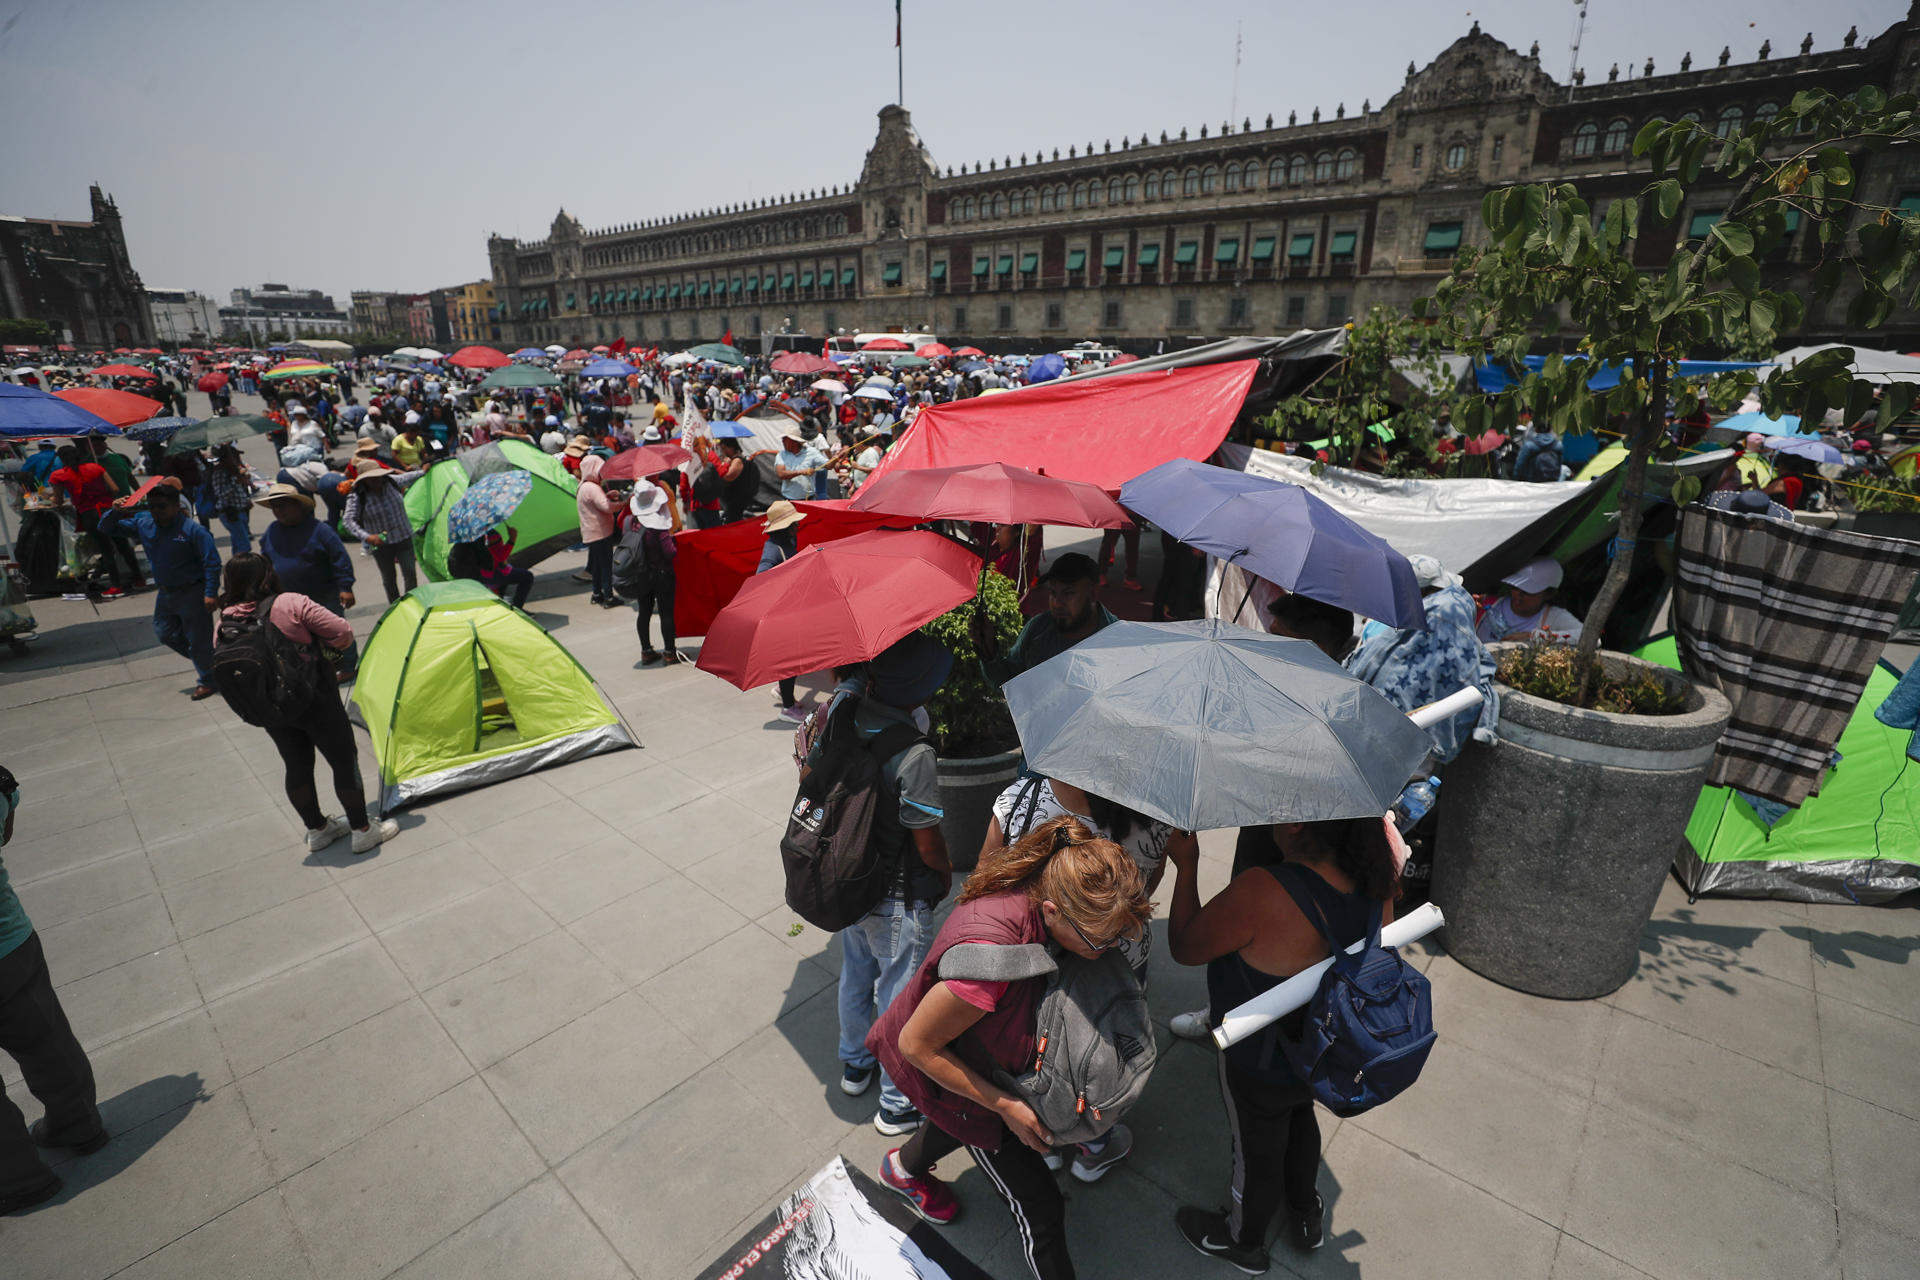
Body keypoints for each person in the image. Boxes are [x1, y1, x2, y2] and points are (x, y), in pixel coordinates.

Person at [868, 815, 1151, 1280]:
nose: (1107, 949)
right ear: (1053, 912)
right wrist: (1005, 1107)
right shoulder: (989, 962)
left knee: (953, 1124)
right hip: (964, 1076)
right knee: (1041, 1209)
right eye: (1099, 940)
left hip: (981, 1056)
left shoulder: (1046, 886)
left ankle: (901, 1170)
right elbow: (917, 1045)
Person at [1164, 816, 1406, 1271]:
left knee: (1255, 1149)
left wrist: (1188, 865)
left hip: (1258, 1057)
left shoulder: (1263, 890)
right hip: (1327, 1047)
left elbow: (1184, 946)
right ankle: (1305, 1211)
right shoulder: (1377, 872)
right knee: (1299, 1118)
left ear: (1295, 826)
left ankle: (1244, 1241)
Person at [801, 634, 957, 1137]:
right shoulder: (913, 753)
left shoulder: (844, 714)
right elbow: (927, 841)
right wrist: (944, 873)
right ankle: (896, 1105)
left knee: (856, 973)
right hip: (897, 895)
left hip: (850, 880)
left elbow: (810, 773)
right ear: (919, 691)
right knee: (898, 994)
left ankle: (855, 1062)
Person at [215, 554, 398, 856]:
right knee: (343, 760)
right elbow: (342, 633)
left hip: (271, 706)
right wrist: (323, 647)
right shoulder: (290, 603)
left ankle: (318, 830)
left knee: (296, 765)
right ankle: (362, 831)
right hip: (314, 697)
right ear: (267, 575)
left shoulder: (226, 620)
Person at [0, 764, 108, 1216]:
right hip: (10, 943)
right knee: (46, 1040)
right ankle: (78, 1123)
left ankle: (18, 1178)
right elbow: (5, 827)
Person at [1345, 555, 1498, 765]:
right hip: (1421, 745)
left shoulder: (1390, 623)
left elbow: (1364, 665)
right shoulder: (1453, 618)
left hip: (1374, 730)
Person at [98, 480, 222, 701]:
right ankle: (213, 662)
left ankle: (208, 679)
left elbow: (211, 563)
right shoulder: (145, 524)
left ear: (176, 506)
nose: (156, 511)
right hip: (166, 593)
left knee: (198, 639)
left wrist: (210, 593)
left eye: (162, 506)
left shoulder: (193, 531)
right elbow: (106, 528)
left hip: (193, 592)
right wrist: (115, 511)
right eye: (152, 506)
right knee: (165, 634)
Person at [255, 482, 358, 679]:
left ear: (298, 505)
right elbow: (265, 560)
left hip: (323, 594)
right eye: (275, 507)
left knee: (334, 632)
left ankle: (347, 666)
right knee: (301, 636)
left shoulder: (320, 530)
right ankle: (317, 668)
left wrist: (346, 587)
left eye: (283, 505)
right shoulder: (272, 531)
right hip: (289, 598)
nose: (279, 511)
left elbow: (340, 558)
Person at [978, 552, 1117, 686]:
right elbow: (1007, 681)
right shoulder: (1038, 628)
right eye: (1053, 593)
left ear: (1093, 593)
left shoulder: (1118, 641)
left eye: (1068, 593)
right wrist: (988, 648)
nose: (1057, 603)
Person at [49, 445, 137, 597]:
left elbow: (58, 500)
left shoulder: (59, 475)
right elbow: (114, 489)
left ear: (62, 459)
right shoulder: (95, 467)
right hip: (108, 509)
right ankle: (138, 578)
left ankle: (116, 585)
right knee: (122, 545)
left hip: (88, 514)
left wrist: (49, 498)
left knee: (106, 549)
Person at [340, 459, 422, 604]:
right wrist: (367, 537)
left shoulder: (391, 482)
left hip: (403, 537)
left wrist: (425, 470)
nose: (376, 480)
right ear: (364, 480)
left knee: (410, 572)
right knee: (389, 578)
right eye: (371, 478)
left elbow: (410, 477)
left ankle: (411, 603)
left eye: (377, 476)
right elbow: (348, 521)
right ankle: (395, 606)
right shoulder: (358, 496)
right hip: (381, 544)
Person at [759, 500, 809, 718]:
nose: (798, 526)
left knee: (796, 656)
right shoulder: (773, 550)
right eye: (794, 523)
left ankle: (782, 690)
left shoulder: (787, 541)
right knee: (789, 659)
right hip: (782, 614)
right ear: (786, 527)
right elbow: (761, 578)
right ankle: (788, 708)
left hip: (792, 611)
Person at [626, 481, 683, 664]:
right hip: (662, 574)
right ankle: (669, 652)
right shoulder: (658, 526)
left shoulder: (631, 522)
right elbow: (670, 552)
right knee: (666, 613)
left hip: (641, 573)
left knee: (644, 612)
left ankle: (646, 651)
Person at [1475, 557, 1584, 644]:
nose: (1518, 595)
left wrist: (1534, 636)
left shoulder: (1554, 616)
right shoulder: (1487, 604)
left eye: (1527, 592)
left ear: (1548, 594)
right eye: (1515, 588)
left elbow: (1585, 636)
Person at [576, 454, 618, 607]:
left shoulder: (583, 486)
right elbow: (606, 507)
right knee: (606, 566)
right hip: (600, 533)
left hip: (591, 533)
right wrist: (623, 503)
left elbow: (597, 503)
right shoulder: (592, 488)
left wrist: (609, 496)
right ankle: (608, 597)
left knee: (597, 566)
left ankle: (597, 594)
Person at [203, 443, 255, 553]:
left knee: (238, 544)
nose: (236, 460)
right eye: (234, 457)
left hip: (241, 510)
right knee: (244, 546)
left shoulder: (233, 471)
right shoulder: (219, 473)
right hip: (230, 512)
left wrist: (246, 499)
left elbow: (240, 491)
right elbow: (221, 494)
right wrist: (236, 482)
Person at [774, 429, 821, 502]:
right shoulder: (781, 455)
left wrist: (835, 459)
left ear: (794, 442)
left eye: (785, 440)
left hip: (809, 499)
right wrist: (801, 472)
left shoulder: (812, 452)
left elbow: (827, 465)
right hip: (789, 499)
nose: (783, 442)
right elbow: (781, 474)